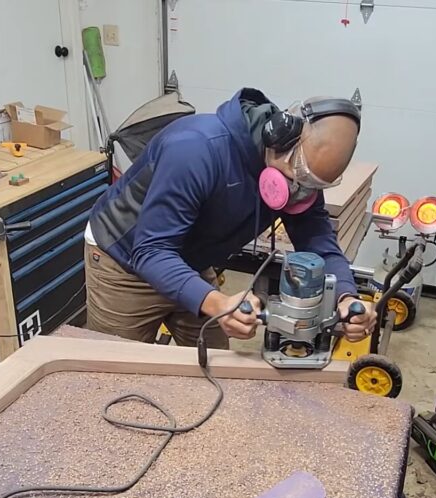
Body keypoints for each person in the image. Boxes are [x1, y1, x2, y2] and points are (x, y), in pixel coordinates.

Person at [84, 87, 377, 348]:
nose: (297, 192)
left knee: (215, 362)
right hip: (124, 260)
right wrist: (217, 303)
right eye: (296, 177)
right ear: (280, 135)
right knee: (117, 371)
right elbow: (151, 251)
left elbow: (318, 241)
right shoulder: (195, 149)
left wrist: (347, 296)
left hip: (189, 259)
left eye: (311, 185)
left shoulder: (300, 176)